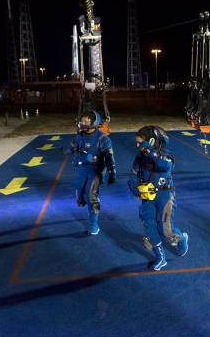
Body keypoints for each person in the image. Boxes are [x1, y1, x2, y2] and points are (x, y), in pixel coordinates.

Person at [128, 126, 189, 271]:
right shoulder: (139, 158)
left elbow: (165, 166)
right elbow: (132, 175)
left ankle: (181, 238)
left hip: (164, 195)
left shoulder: (165, 156)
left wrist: (150, 152)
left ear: (151, 141)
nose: (138, 145)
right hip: (147, 197)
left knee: (165, 230)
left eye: (140, 142)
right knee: (149, 226)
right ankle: (160, 257)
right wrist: (135, 189)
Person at [65, 111, 116, 235]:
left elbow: (109, 156)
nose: (83, 123)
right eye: (82, 120)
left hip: (95, 170)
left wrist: (112, 171)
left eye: (86, 121)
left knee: (91, 196)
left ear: (94, 122)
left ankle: (94, 225)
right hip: (82, 169)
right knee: (79, 195)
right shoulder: (79, 136)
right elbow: (70, 149)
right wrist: (66, 150)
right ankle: (82, 199)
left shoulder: (102, 138)